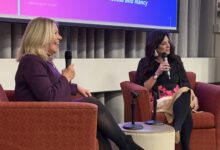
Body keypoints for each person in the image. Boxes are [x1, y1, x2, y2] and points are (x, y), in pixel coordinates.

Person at [14, 17, 144, 150]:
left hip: (49, 115)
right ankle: (127, 145)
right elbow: (50, 98)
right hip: (39, 120)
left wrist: (75, 87)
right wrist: (65, 77)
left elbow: (47, 88)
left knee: (99, 134)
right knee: (93, 103)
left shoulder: (42, 61)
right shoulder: (31, 61)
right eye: (55, 33)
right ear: (41, 36)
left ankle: (126, 145)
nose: (60, 37)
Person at [135, 30, 199, 150]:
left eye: (168, 42)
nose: (168, 45)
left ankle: (176, 129)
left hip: (178, 99)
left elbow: (185, 83)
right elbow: (141, 89)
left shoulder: (176, 60)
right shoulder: (145, 63)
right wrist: (157, 73)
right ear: (155, 45)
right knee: (187, 112)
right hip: (160, 101)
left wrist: (194, 97)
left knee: (185, 92)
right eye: (164, 43)